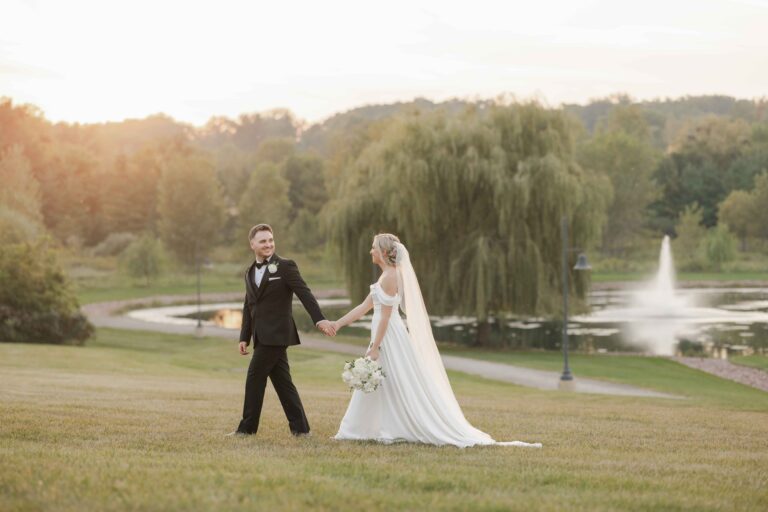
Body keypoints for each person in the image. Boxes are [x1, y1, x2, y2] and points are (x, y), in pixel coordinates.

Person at [332, 233, 541, 448]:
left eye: (374, 247)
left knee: (393, 379)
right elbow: (364, 307)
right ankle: (360, 428)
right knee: (383, 380)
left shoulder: (391, 276)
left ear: (384, 253)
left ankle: (384, 427)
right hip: (384, 334)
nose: (371, 251)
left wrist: (375, 347)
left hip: (388, 336)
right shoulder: (385, 277)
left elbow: (385, 316)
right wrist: (337, 324)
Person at [227, 224, 336, 438]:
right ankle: (301, 429)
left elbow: (305, 293)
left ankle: (247, 429)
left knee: (254, 378)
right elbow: (249, 305)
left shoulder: (285, 266)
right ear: (252, 245)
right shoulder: (249, 272)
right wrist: (244, 336)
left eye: (270, 240)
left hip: (278, 334)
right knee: (283, 383)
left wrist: (319, 319)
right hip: (260, 336)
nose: (268, 244)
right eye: (263, 241)